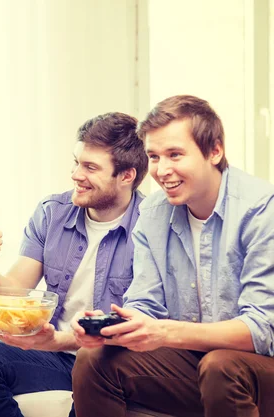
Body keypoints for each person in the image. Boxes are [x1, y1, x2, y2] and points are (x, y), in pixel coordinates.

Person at [71, 95, 274, 417]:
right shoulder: (153, 212)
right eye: (154, 156)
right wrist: (113, 328)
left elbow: (263, 329)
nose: (162, 170)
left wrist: (165, 332)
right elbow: (145, 304)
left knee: (220, 365)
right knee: (93, 359)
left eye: (175, 155)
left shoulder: (261, 210)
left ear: (215, 151)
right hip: (197, 365)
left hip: (258, 369)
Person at [0, 112, 148, 417]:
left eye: (90, 167)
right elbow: (15, 292)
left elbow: (140, 326)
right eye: (76, 162)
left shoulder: (151, 228)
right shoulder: (53, 213)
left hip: (110, 361)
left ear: (127, 176)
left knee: (92, 370)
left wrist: (60, 341)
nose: (75, 175)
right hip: (57, 356)